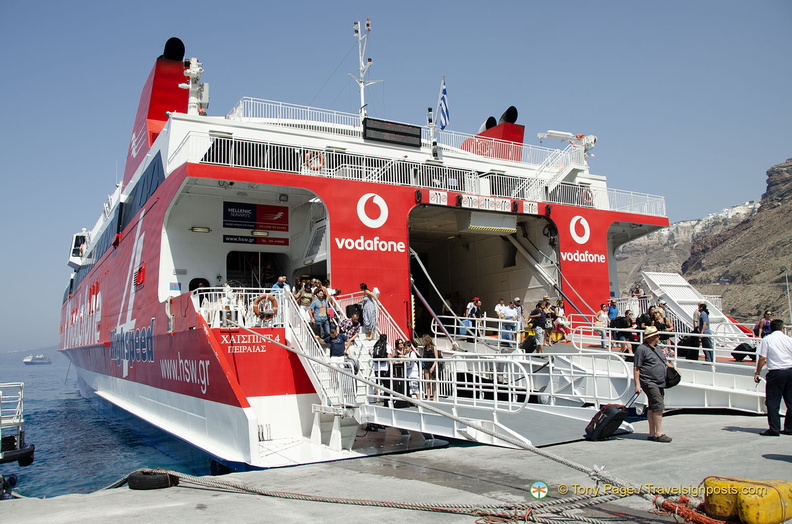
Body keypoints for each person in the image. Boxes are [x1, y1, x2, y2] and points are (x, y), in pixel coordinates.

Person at [634, 326, 674, 443]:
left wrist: (674, 370)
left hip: (660, 381)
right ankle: (659, 433)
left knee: (652, 407)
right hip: (649, 381)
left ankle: (652, 433)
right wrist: (637, 385)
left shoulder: (657, 349)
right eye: (656, 335)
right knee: (658, 406)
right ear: (651, 337)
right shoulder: (641, 349)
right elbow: (637, 368)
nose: (658, 337)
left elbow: (665, 361)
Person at [753, 319, 792, 436]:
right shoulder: (789, 340)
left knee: (773, 402)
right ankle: (789, 428)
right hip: (790, 371)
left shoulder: (767, 340)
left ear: (770, 329)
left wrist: (757, 373)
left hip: (776, 372)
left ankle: (774, 429)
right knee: (790, 402)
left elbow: (762, 358)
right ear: (782, 328)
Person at [370, 334, 392, 405]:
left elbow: (370, 352)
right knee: (386, 383)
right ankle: (387, 397)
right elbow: (388, 355)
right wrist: (391, 363)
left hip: (376, 367)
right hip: (384, 366)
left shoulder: (376, 345)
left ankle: (378, 398)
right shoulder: (386, 345)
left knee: (378, 382)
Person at [421, 334, 439, 401]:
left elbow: (436, 358)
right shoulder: (424, 348)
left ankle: (434, 397)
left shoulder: (434, 347)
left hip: (432, 365)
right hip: (426, 365)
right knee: (427, 382)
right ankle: (428, 397)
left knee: (434, 382)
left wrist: (433, 367)